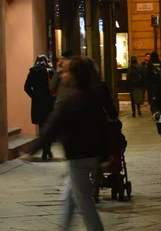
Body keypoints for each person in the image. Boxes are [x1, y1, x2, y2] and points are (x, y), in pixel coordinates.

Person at [26, 56, 108, 231]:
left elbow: (51, 128)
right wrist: (105, 154)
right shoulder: (92, 95)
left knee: (83, 201)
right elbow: (103, 125)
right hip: (92, 155)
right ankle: (64, 227)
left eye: (68, 71)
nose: (64, 73)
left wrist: (31, 150)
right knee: (70, 195)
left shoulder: (70, 99)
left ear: (75, 75)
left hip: (77, 157)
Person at [24, 55, 55, 159]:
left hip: (38, 103)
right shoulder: (50, 71)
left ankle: (44, 150)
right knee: (49, 126)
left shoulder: (32, 72)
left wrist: (34, 96)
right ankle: (48, 148)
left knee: (41, 126)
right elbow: (56, 85)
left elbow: (26, 87)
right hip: (49, 102)